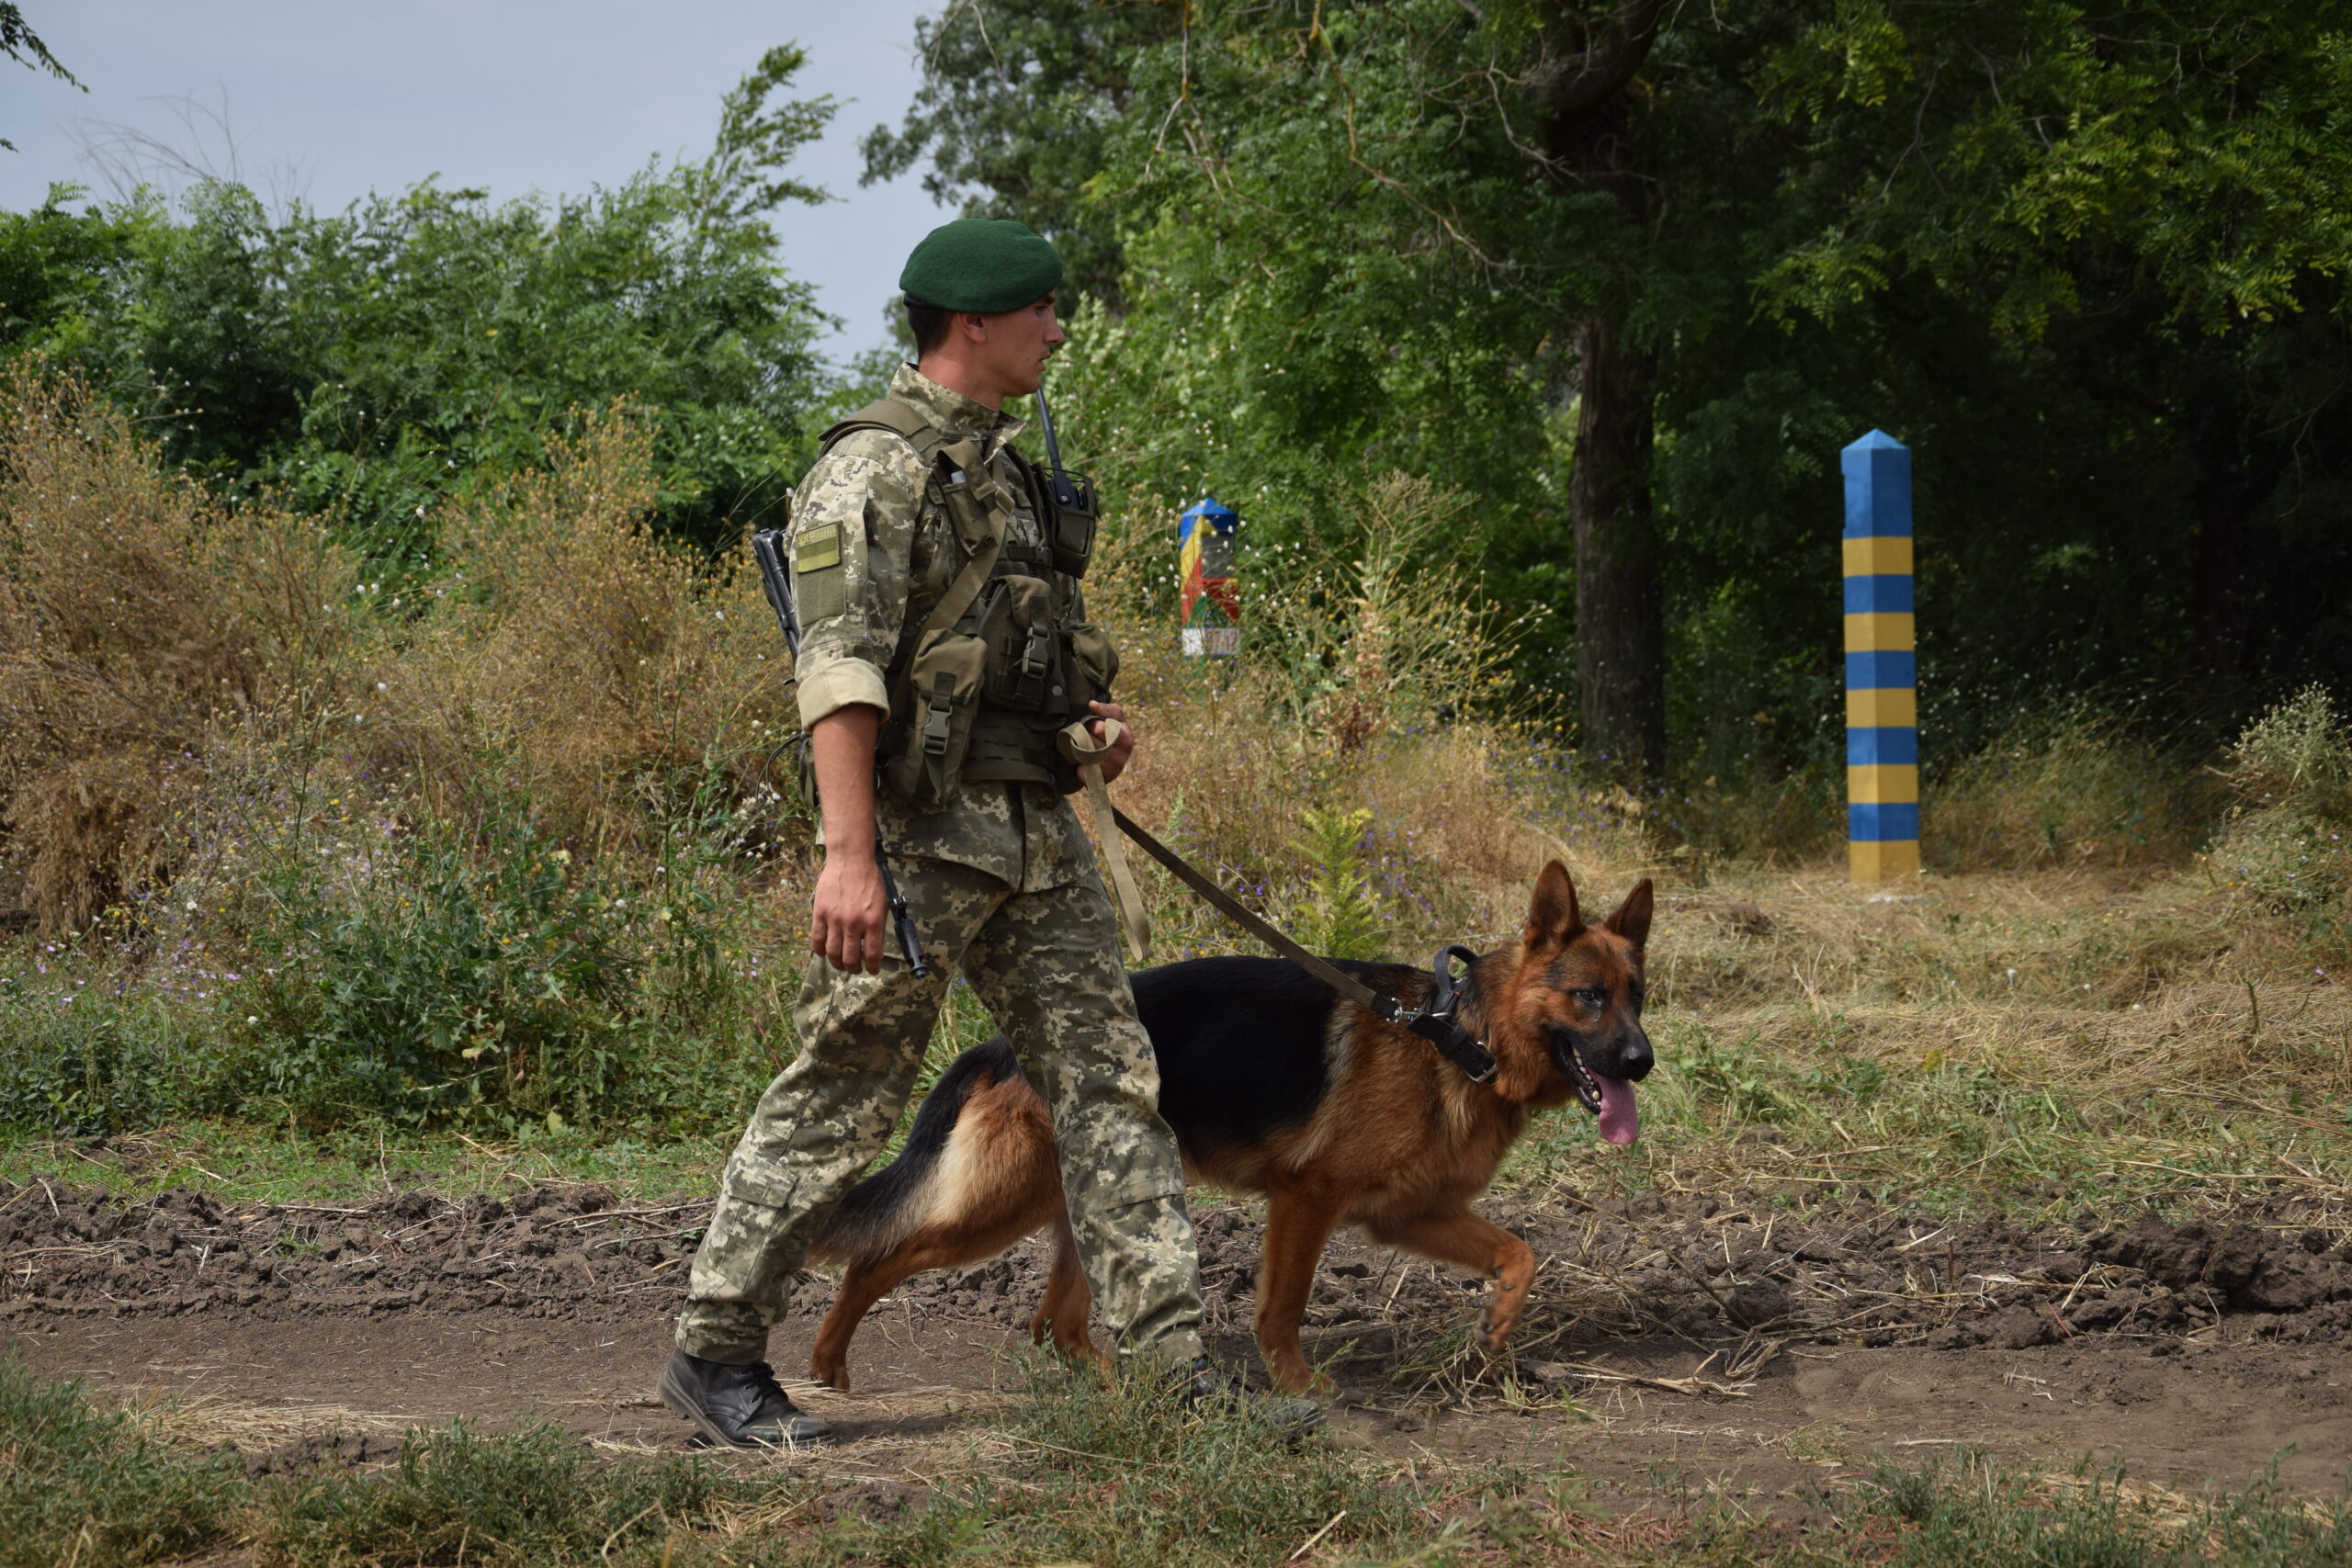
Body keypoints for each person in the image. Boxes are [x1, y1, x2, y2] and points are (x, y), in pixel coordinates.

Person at [658, 219, 1211, 1449]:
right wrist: (845, 855)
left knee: (1114, 1085)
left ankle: (1175, 1374)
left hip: (1029, 831)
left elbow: (1011, 655)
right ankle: (717, 1353)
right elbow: (838, 666)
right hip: (912, 844)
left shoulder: (1006, 474)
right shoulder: (873, 469)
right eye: (1044, 311)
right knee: (843, 1097)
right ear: (975, 323)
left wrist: (1086, 726)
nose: (1060, 330)